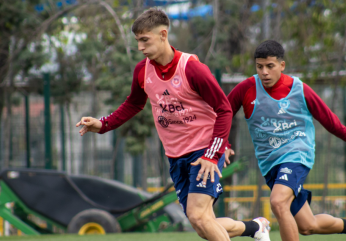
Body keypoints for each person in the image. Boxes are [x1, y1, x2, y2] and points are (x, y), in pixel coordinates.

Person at [76, 8, 270, 241]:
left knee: (198, 216)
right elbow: (133, 104)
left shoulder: (191, 68)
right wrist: (103, 123)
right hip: (176, 156)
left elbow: (223, 108)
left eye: (144, 40)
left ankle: (256, 228)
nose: (140, 47)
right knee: (202, 223)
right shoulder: (142, 71)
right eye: (137, 41)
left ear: (163, 35)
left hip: (203, 150)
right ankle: (256, 228)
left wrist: (214, 152)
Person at [225, 40, 346, 241]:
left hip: (297, 154)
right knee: (308, 226)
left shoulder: (299, 90)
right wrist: (223, 144)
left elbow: (332, 123)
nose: (264, 72)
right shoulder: (246, 88)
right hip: (269, 163)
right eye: (259, 66)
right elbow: (222, 114)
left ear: (282, 66)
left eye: (270, 66)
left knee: (278, 202)